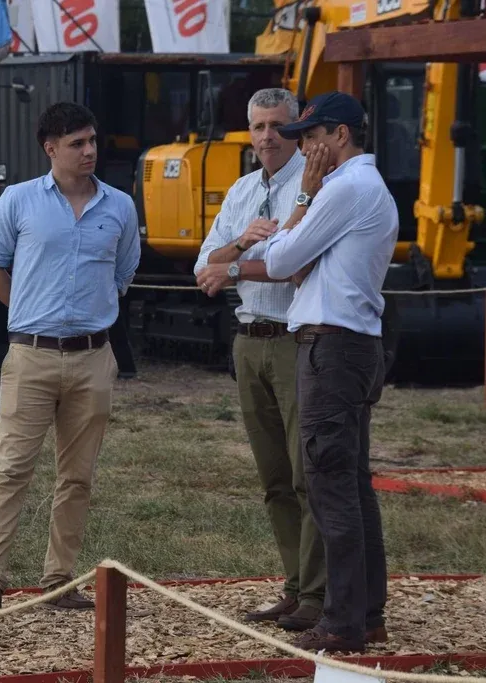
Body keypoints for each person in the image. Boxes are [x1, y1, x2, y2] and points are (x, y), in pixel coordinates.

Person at [203, 90, 398, 653]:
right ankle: (365, 612)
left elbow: (284, 259)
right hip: (347, 343)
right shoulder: (364, 185)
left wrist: (304, 198)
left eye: (312, 136)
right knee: (350, 484)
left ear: (341, 135)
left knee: (329, 486)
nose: (306, 147)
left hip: (330, 346)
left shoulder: (343, 188)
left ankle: (341, 621)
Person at [0, 101, 141, 615]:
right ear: (50, 148)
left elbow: (123, 273)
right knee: (11, 469)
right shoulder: (18, 200)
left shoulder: (120, 207)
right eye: (76, 143)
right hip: (31, 354)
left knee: (78, 476)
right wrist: (26, 310)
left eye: (92, 140)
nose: (89, 151)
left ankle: (59, 580)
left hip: (93, 356)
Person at [194, 87, 326, 633]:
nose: (267, 136)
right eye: (258, 126)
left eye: (277, 126)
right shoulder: (243, 190)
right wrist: (241, 244)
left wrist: (233, 264)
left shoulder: (316, 185)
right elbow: (203, 267)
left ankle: (318, 595)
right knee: (274, 478)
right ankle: (295, 587)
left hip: (297, 339)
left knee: (307, 475)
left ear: (294, 130)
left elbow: (295, 265)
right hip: (248, 339)